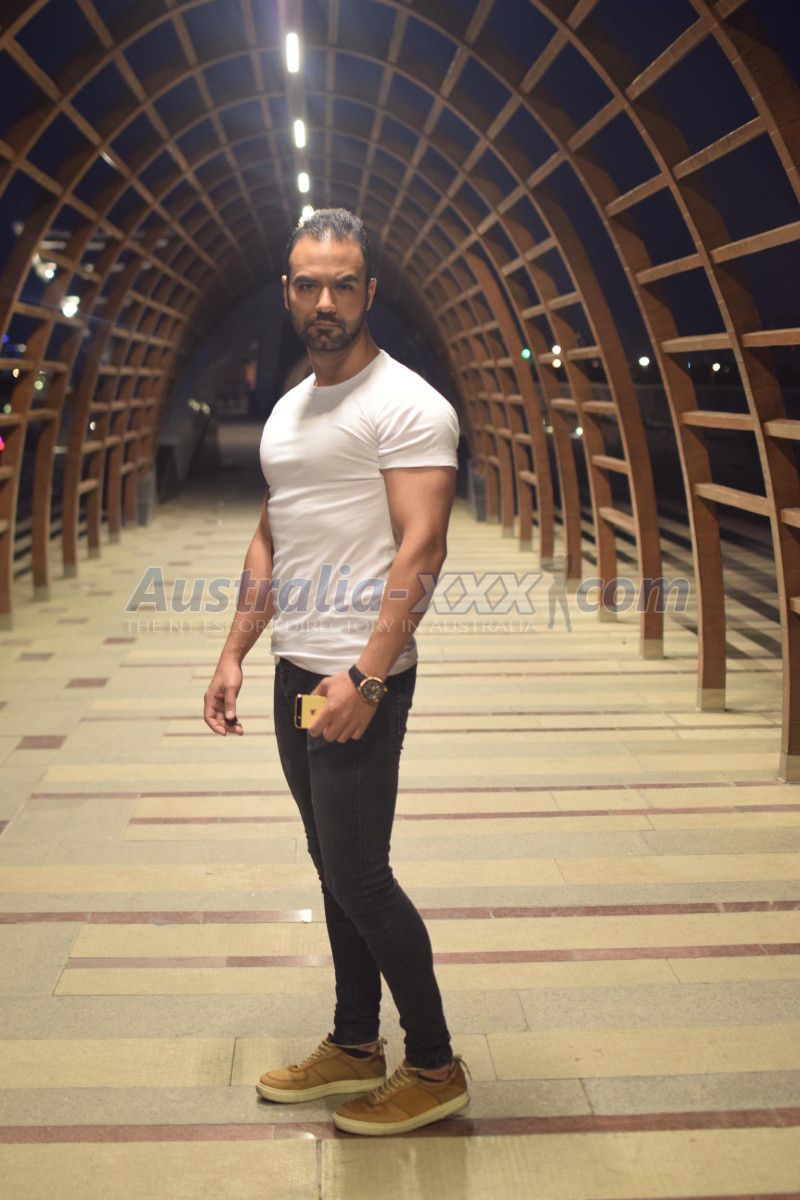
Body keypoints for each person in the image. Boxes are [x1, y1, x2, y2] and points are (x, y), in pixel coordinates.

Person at [203, 208, 469, 1136]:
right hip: (297, 676)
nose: (325, 301)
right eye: (308, 284)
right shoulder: (290, 408)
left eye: (342, 284)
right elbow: (271, 536)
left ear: (369, 292)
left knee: (361, 875)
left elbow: (422, 549)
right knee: (331, 865)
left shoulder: (408, 405)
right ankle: (357, 1043)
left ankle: (434, 1064)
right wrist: (235, 651)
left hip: (360, 680)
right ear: (288, 290)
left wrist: (370, 678)